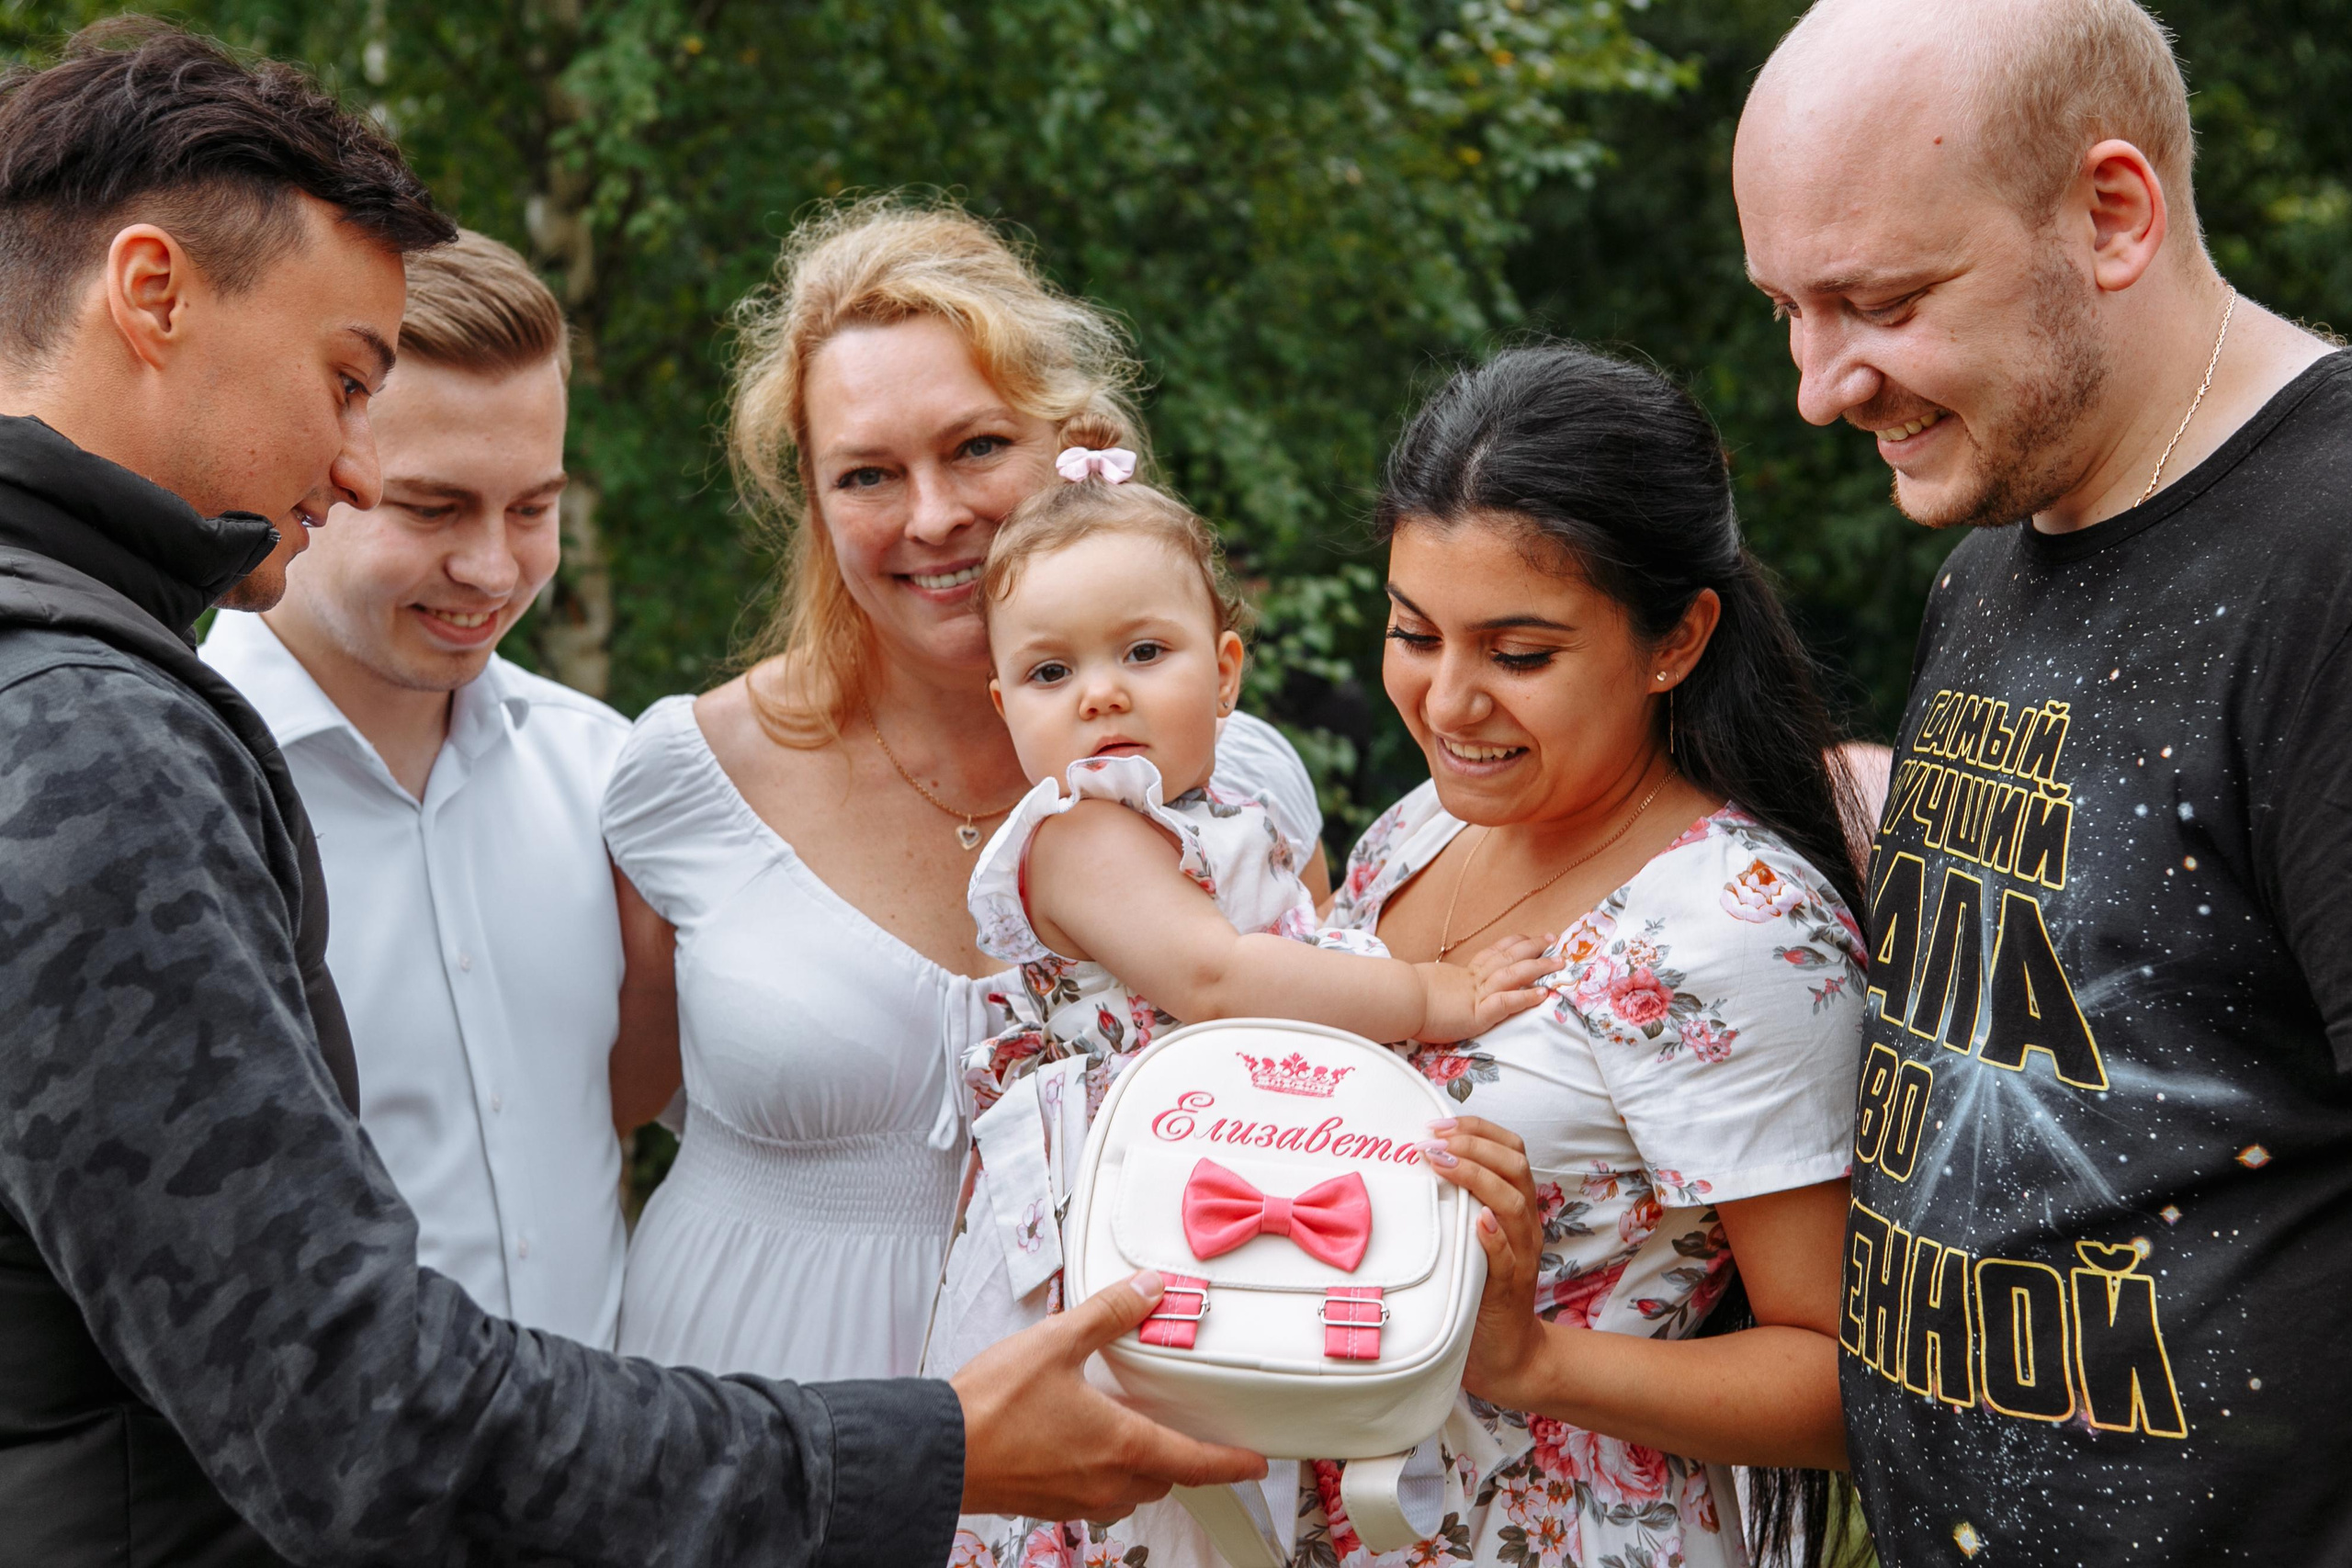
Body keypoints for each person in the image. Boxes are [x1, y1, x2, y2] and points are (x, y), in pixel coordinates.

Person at [0, 23, 1261, 1567]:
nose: (344, 456)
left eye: (530, 504)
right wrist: (927, 1448)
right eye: (346, 381)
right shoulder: (87, 734)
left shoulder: (140, 698)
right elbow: (362, 1416)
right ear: (151, 294)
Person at [1733, 0, 2349, 1560]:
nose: (1821, 386)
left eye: (1880, 300)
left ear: (2112, 214)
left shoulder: (2329, 560)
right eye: (1789, 310)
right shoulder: (2003, 541)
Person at [603, 197, 1335, 1381]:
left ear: (1074, 443)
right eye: (868, 475)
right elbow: (580, 1119)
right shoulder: (689, 778)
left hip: (1131, 1421)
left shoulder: (1235, 789)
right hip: (768, 1404)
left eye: (977, 448)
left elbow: (1321, 1100)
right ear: (812, 493)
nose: (933, 517)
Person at [931, 431, 1556, 1568]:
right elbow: (1217, 980)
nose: (1100, 695)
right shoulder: (1078, 836)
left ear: (1223, 671)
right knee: (1132, 1488)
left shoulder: (1236, 810)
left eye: (1143, 651)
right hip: (1117, 1208)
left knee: (1244, 1465)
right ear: (1004, 704)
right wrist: (1429, 993)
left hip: (1229, 1170)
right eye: (1049, 672)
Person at [1315, 344, 1868, 1568]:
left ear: (1676, 639)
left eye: (1518, 654)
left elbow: (1844, 1380)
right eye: (1414, 631)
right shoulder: (1417, 828)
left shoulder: (1736, 925)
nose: (1450, 701)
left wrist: (1535, 1358)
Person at [201, 229, 638, 1346]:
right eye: (434, 509)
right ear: (324, 466)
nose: (494, 570)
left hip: (619, 1495)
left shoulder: (610, 776)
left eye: (532, 509)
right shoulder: (179, 796)